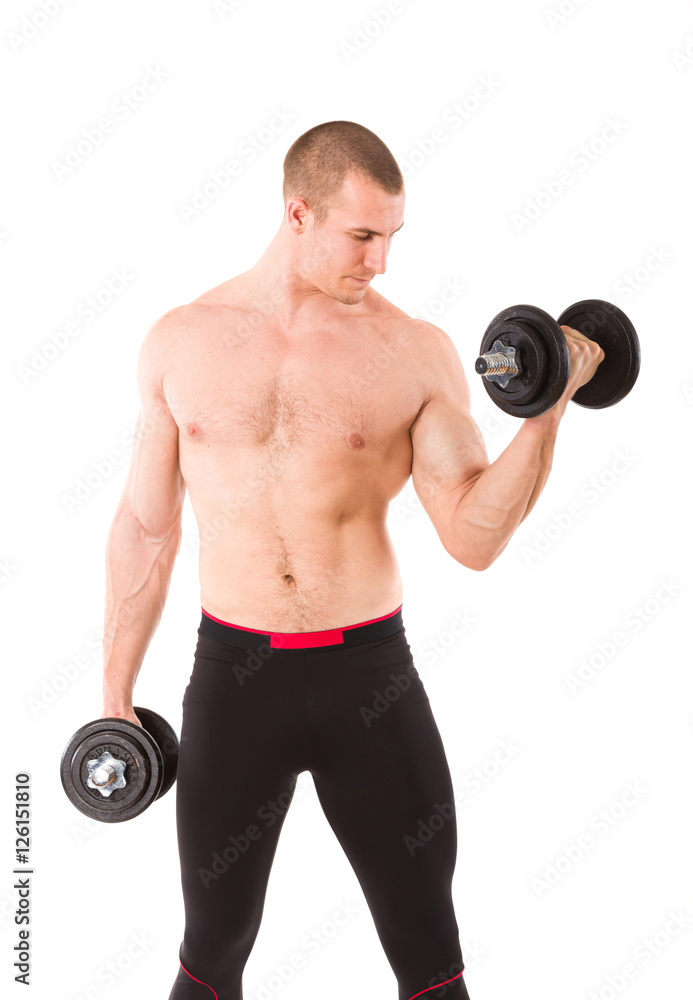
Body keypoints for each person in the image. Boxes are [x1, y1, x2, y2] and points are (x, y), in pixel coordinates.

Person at [100, 121, 603, 1000]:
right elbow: (147, 529)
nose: (381, 264)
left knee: (429, 963)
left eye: (392, 239)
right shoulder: (181, 342)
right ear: (298, 212)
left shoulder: (415, 353)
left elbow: (473, 538)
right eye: (363, 237)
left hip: (368, 682)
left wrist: (545, 413)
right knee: (209, 957)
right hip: (234, 680)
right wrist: (114, 695)